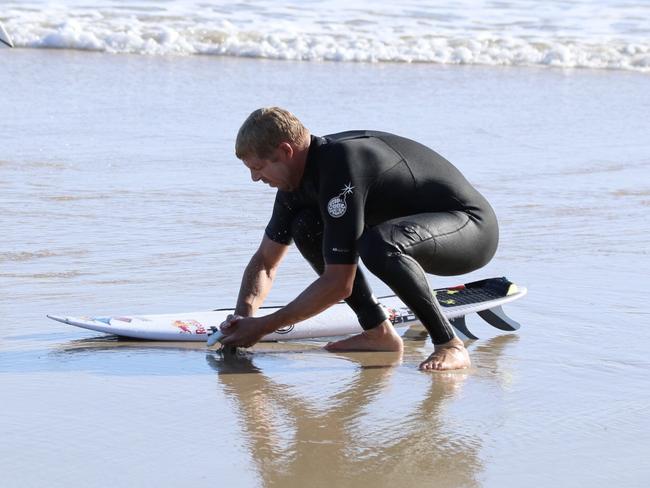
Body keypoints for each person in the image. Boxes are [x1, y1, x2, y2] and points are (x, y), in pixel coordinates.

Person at [219, 107, 499, 371]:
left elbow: (339, 284)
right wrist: (244, 317)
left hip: (470, 231)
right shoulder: (294, 186)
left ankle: (450, 344)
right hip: (413, 234)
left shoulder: (343, 163)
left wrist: (265, 326)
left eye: (257, 167)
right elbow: (266, 263)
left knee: (380, 245)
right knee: (306, 225)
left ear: (285, 150)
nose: (255, 178)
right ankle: (378, 333)